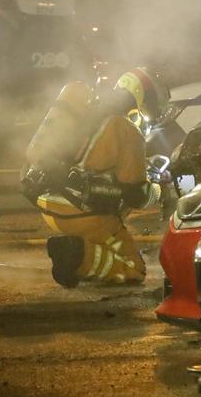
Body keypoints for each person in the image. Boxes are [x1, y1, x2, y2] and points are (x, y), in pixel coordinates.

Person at [21, 68, 169, 287]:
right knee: (133, 268)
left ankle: (77, 246)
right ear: (141, 97)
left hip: (48, 204)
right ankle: (74, 255)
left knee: (106, 237)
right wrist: (157, 188)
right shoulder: (127, 129)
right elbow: (136, 195)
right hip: (82, 215)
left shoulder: (88, 116)